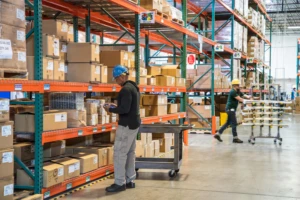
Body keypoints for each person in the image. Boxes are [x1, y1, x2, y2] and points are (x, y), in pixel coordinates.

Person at [103, 65, 141, 192]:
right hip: (134, 124)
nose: (116, 81)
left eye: (116, 78)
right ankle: (130, 180)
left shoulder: (125, 90)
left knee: (119, 153)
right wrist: (116, 106)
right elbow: (128, 106)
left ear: (122, 76)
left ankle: (119, 183)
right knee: (130, 153)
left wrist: (111, 109)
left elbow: (124, 109)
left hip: (126, 126)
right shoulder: (134, 87)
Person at [214, 79, 255, 143]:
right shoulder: (232, 92)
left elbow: (244, 95)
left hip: (231, 109)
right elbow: (240, 99)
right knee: (234, 123)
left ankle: (218, 134)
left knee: (228, 123)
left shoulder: (237, 91)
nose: (239, 86)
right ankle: (235, 138)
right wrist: (247, 102)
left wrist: (250, 96)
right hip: (230, 109)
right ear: (235, 85)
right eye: (238, 85)